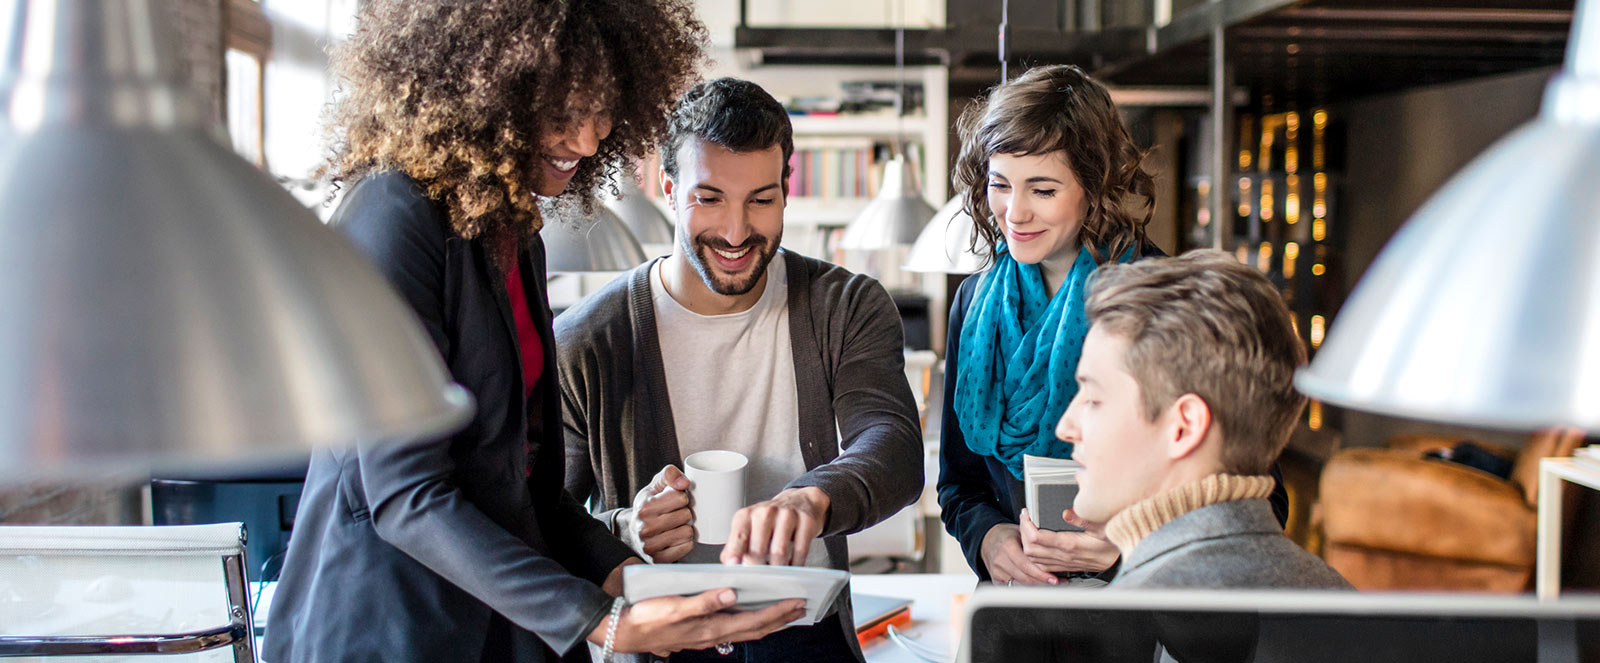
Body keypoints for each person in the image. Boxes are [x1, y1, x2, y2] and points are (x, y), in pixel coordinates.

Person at [265, 4, 803, 662]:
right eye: (555, 104)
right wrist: (607, 619)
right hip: (386, 628)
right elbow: (407, 496)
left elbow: (534, 494)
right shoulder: (393, 214)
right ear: (480, 82)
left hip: (500, 626)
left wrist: (643, 584)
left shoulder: (514, 232)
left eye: (603, 105)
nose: (584, 138)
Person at [558, 77, 923, 662]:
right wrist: (629, 528)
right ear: (670, 189)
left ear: (787, 189)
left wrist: (812, 499)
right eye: (709, 198)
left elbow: (895, 447)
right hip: (663, 644)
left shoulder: (846, 304)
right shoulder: (587, 340)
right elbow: (548, 518)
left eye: (760, 199)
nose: (735, 232)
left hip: (808, 636)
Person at [935, 64, 1290, 586]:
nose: (1015, 212)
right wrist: (988, 539)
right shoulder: (973, 303)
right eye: (1000, 184)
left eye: (1043, 189)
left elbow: (1261, 505)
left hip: (1143, 613)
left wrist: (1126, 550)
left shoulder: (1168, 305)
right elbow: (958, 485)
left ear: (1093, 185)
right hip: (1017, 611)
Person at [1057, 250, 1351, 590]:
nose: (1066, 427)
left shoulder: (1114, 628)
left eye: (1093, 399)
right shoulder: (1340, 600)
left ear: (1184, 427)